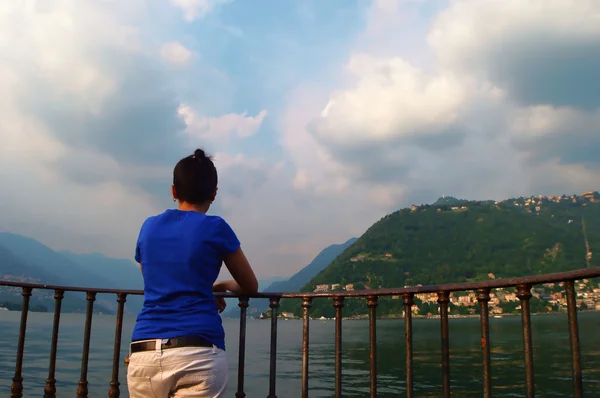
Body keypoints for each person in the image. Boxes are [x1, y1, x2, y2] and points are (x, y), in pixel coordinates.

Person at [127, 148, 259, 398]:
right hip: (198, 353)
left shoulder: (149, 227)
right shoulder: (216, 227)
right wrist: (221, 286)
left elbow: (151, 275)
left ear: (174, 191)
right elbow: (250, 285)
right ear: (214, 193)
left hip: (145, 352)